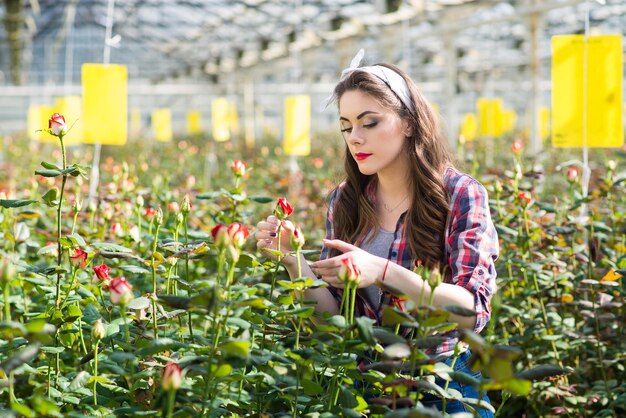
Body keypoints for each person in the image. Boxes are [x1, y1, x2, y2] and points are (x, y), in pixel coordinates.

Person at [254, 49, 498, 416]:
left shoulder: (460, 195)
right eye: (346, 126)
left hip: (442, 385)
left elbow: (473, 311)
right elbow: (333, 322)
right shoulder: (346, 200)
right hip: (364, 386)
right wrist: (294, 263)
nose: (355, 138)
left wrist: (382, 272)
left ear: (410, 123)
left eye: (369, 123)